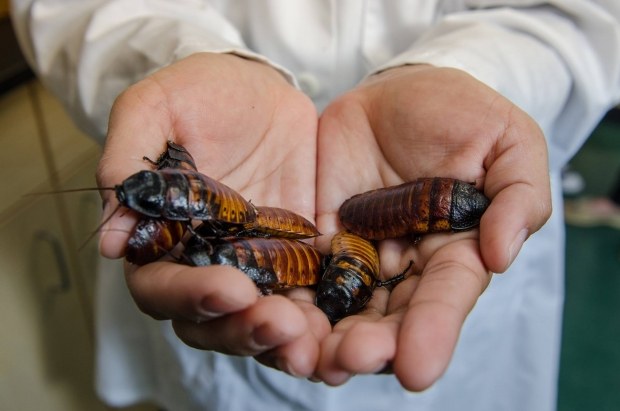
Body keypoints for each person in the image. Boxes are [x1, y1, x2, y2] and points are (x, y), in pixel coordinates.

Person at [10, 1, 620, 410]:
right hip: (234, 224)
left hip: (433, 258)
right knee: (226, 307)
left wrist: (480, 74)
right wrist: (177, 56)